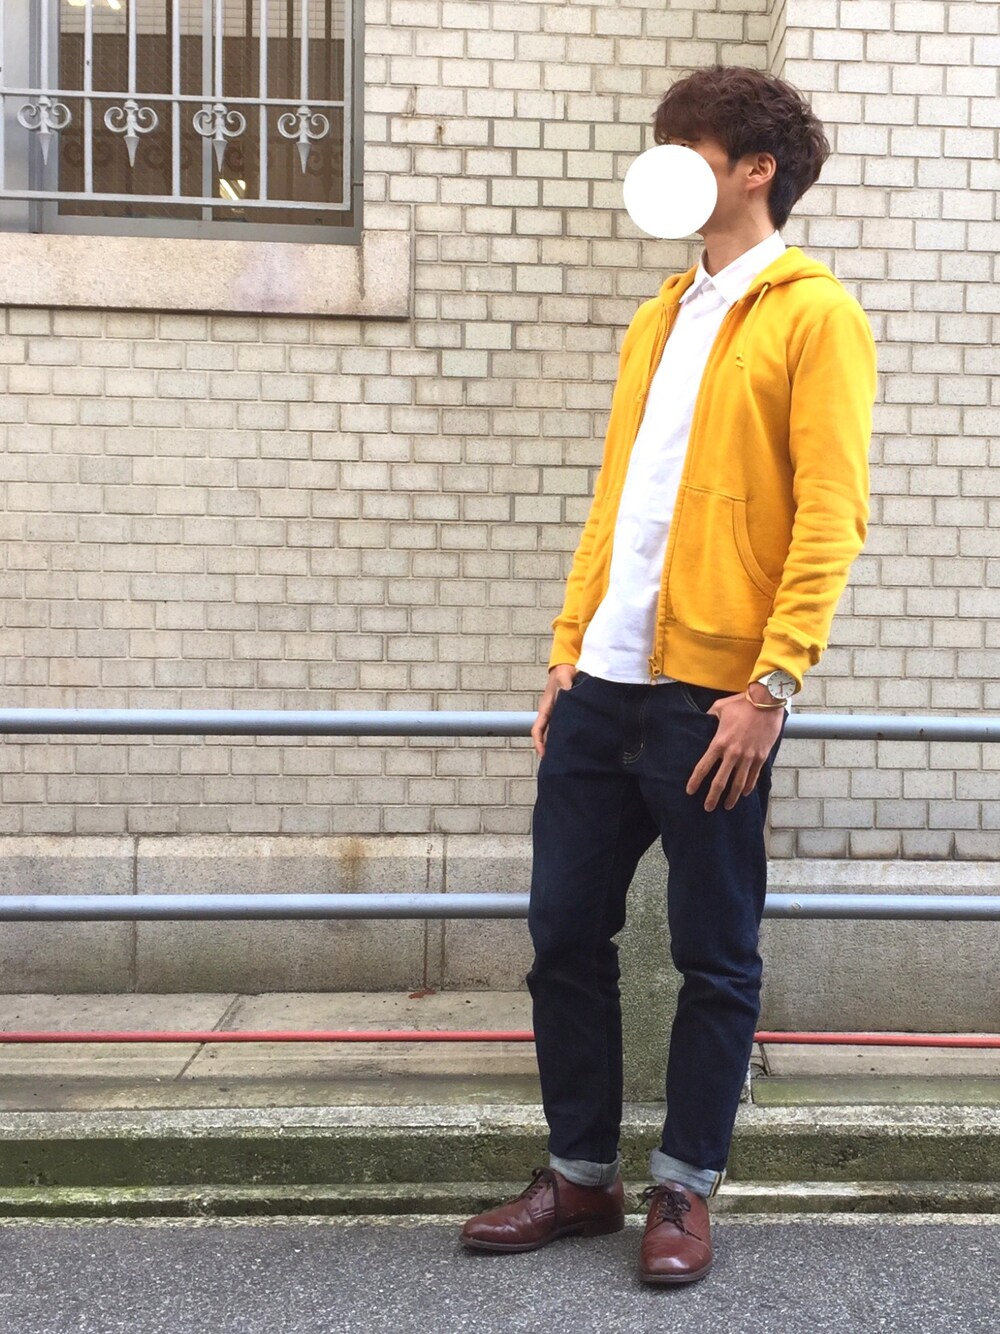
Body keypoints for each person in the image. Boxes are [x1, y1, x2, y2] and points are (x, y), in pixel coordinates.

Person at [460, 65, 878, 1284]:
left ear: (755, 168)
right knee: (561, 934)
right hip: (601, 686)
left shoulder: (813, 316)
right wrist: (564, 649)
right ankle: (580, 1176)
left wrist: (772, 685)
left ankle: (685, 1187)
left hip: (713, 697)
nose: (662, 170)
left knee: (715, 953)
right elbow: (618, 507)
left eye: (684, 149)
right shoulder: (658, 317)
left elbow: (831, 514)